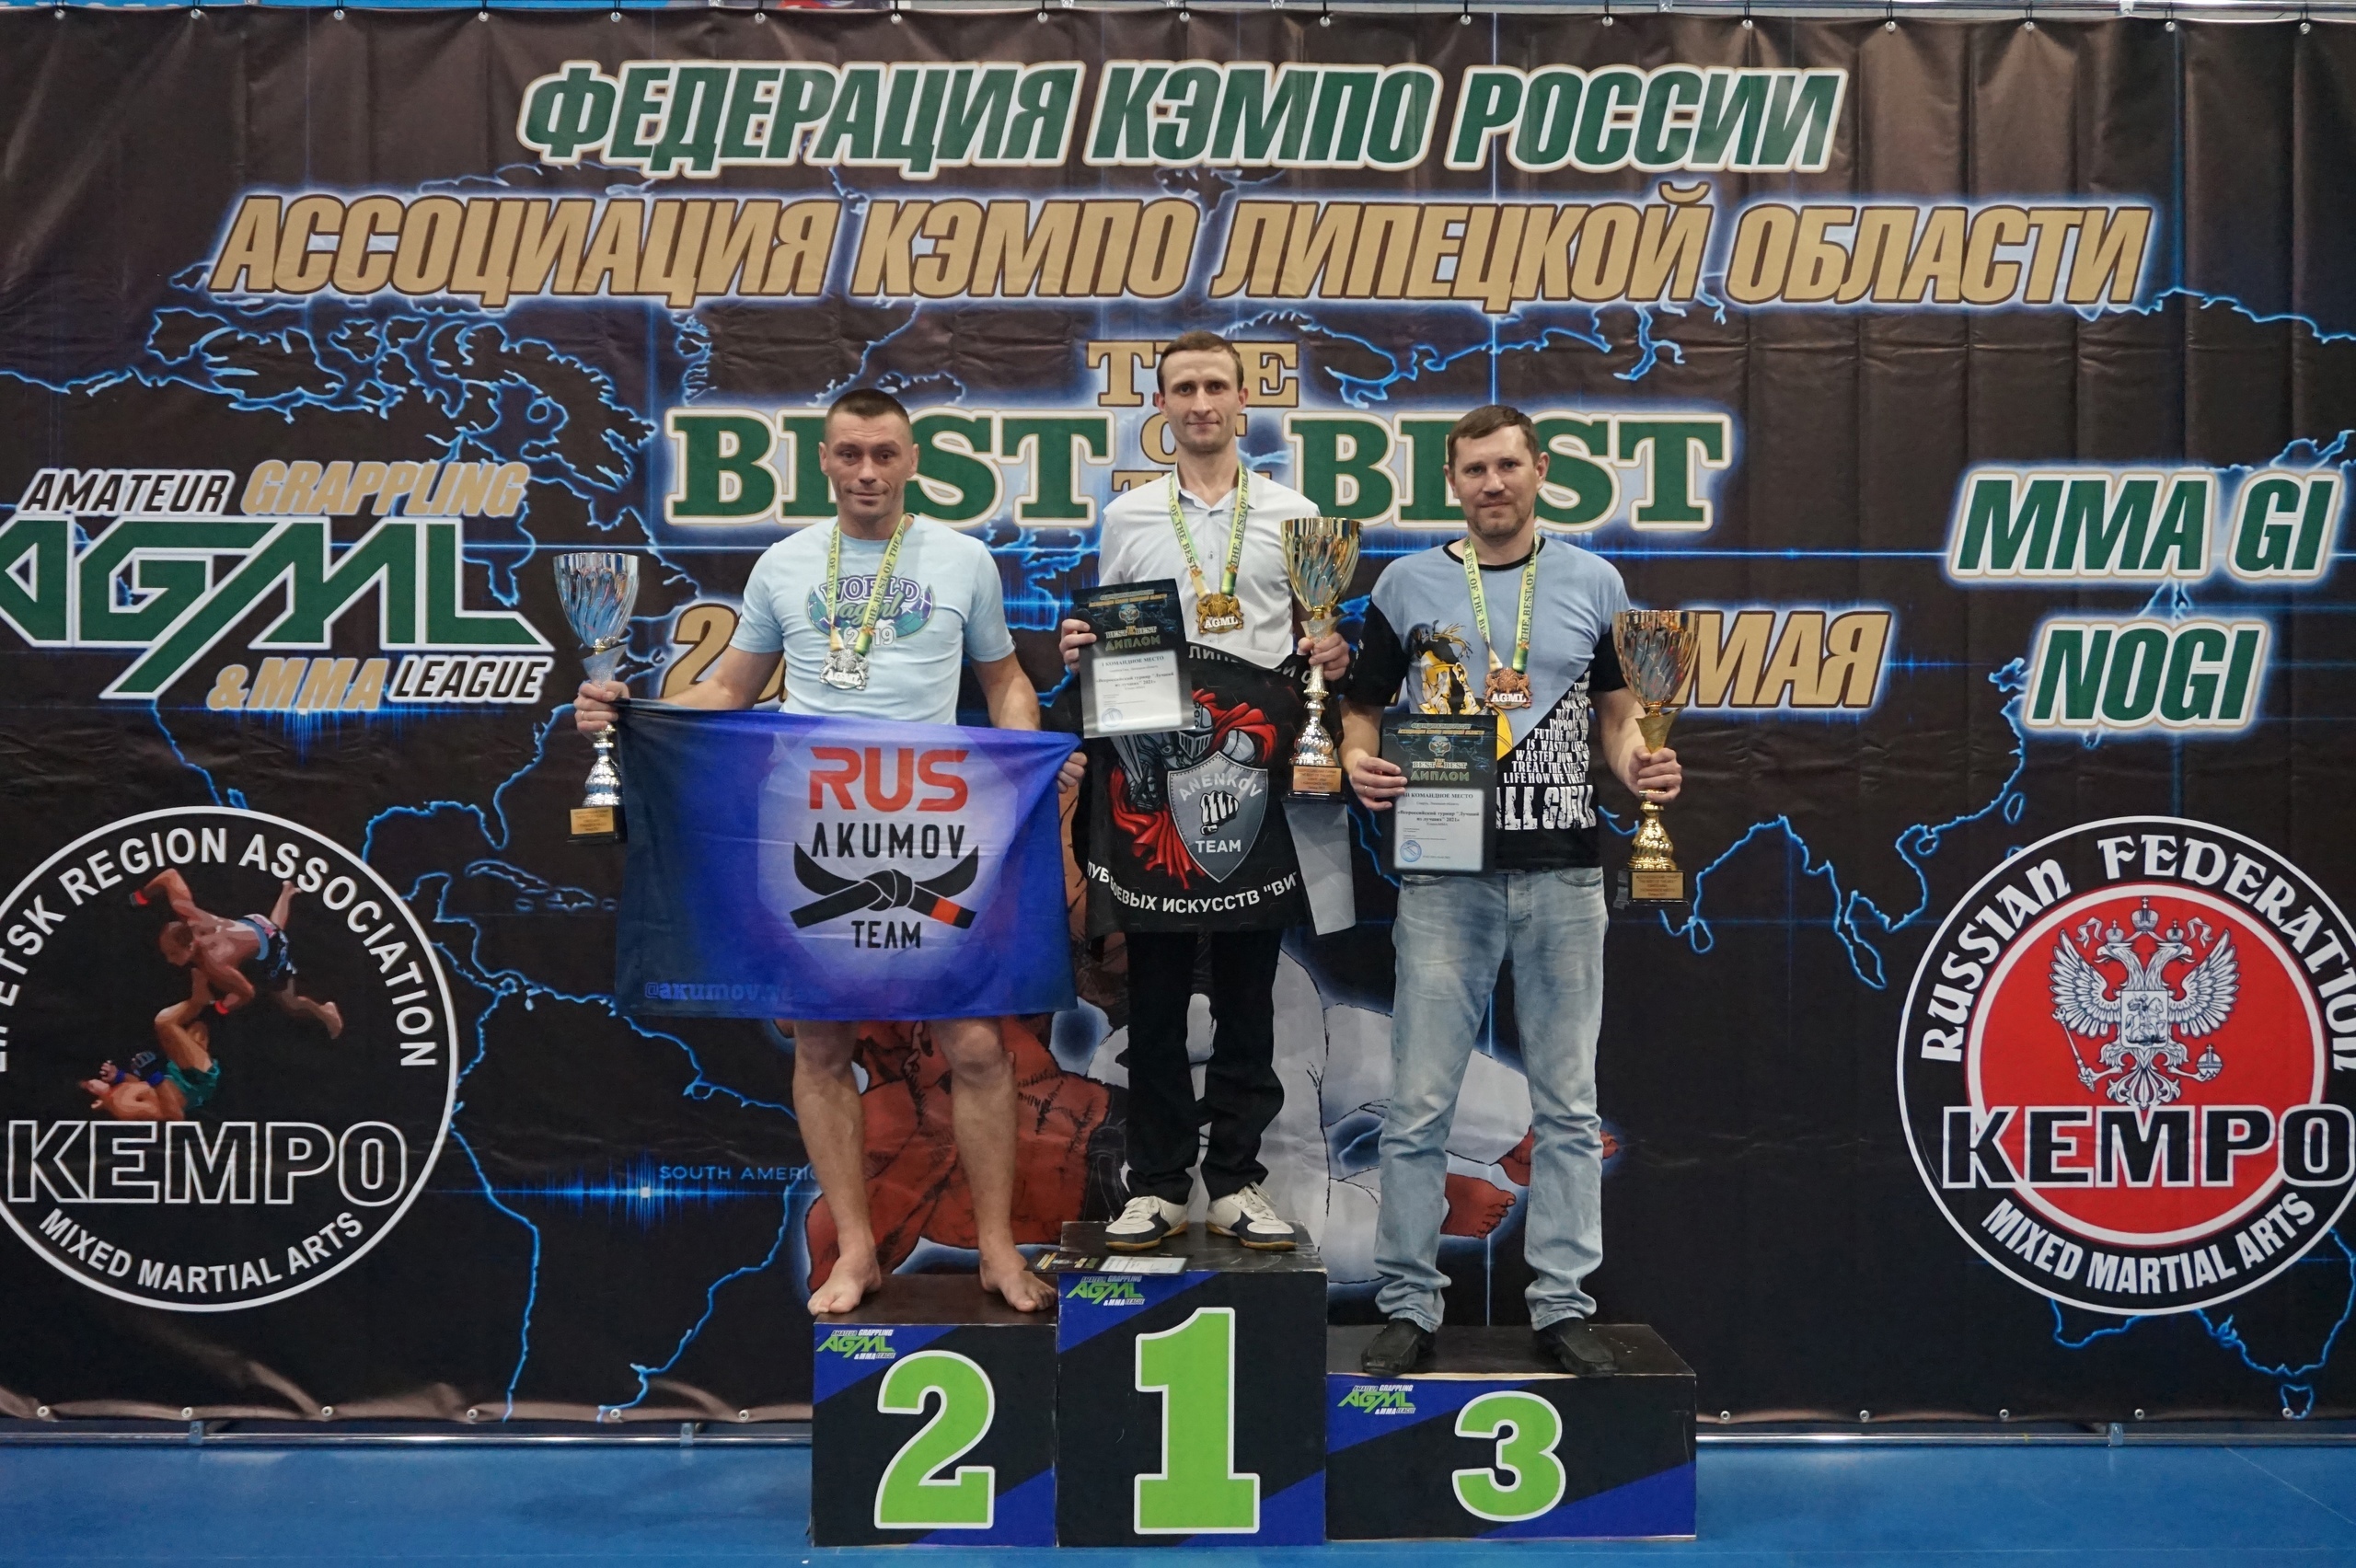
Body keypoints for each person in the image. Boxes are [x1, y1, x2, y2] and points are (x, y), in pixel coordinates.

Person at [576, 386, 1077, 1316]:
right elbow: (730, 692)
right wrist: (630, 713)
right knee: (820, 1043)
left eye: (884, 454)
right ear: (824, 461)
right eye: (850, 454)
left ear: (913, 460)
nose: (867, 472)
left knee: (976, 1044)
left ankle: (998, 1250)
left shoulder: (962, 559)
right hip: (816, 827)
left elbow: (1005, 679)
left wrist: (1020, 767)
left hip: (935, 829)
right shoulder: (785, 563)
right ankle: (855, 1251)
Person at [1338, 404, 1682, 1378]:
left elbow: (1619, 715)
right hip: (1443, 875)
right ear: (1452, 483)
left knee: (1568, 1106)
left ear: (1540, 472)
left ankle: (1563, 1304)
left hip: (1563, 873)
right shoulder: (1406, 584)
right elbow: (1360, 710)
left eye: (1507, 466)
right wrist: (1357, 762)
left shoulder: (1593, 581)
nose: (1492, 484)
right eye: (1474, 470)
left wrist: (1641, 763)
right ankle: (1408, 1303)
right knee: (1418, 1105)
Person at [1057, 330, 1349, 1253]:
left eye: (1215, 385)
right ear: (1162, 406)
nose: (1200, 403)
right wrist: (1081, 647)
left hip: (1251, 771)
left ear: (1242, 401)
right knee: (1151, 992)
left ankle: (1234, 1180)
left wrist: (1330, 655)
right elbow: (1114, 639)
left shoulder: (1296, 513)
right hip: (1152, 775)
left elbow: (1314, 640)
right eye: (1182, 388)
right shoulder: (1130, 517)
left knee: (1247, 992)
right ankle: (1155, 1186)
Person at [133, 870, 342, 1038]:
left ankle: (326, 1013)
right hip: (253, 923)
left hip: (272, 948)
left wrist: (219, 1009)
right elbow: (170, 876)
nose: (169, 960)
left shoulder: (215, 963)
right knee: (272, 928)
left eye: (173, 954)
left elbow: (246, 992)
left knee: (289, 1003)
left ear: (190, 946)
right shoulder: (186, 912)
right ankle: (286, 892)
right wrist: (141, 896)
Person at [85, 973, 222, 1123]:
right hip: (194, 1083)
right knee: (164, 1023)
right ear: (96, 1103)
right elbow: (174, 1116)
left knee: (197, 1028)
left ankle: (212, 1000)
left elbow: (145, 1088)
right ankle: (200, 999)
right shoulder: (121, 1107)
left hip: (178, 1073)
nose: (94, 1079)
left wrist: (120, 1076)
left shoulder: (118, 1093)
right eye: (89, 1085)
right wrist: (153, 1075)